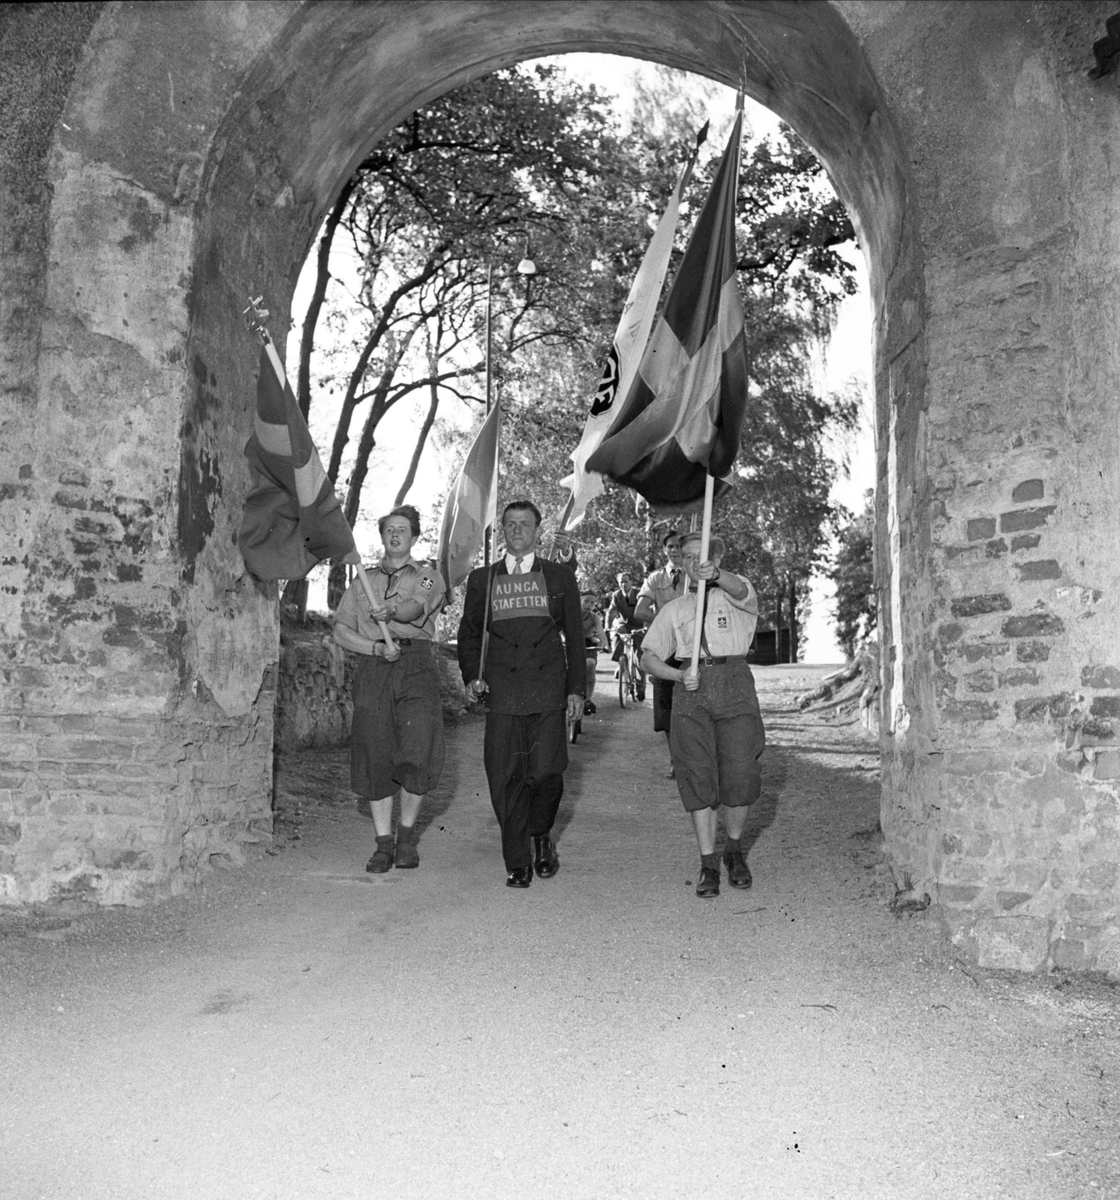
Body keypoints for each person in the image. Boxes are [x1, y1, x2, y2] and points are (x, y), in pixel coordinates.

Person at [458, 500, 586, 888]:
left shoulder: (559, 577)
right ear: (502, 530)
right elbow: (470, 634)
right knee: (505, 775)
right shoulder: (484, 578)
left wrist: (577, 690)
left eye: (524, 524)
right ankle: (517, 860)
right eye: (510, 524)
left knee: (547, 770)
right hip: (502, 691)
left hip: (547, 688)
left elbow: (576, 639)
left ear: (536, 531)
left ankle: (541, 833)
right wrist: (472, 676)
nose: (517, 530)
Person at [639, 531, 765, 900]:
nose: (695, 562)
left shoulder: (736, 593)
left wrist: (717, 574)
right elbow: (648, 657)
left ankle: (735, 850)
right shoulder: (674, 610)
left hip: (735, 685)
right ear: (681, 563)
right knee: (697, 775)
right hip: (691, 693)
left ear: (716, 559)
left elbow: (742, 591)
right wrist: (678, 674)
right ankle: (708, 862)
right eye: (689, 557)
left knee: (741, 772)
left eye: (702, 556)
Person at [332, 505, 446, 873]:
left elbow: (415, 608)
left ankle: (407, 839)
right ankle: (383, 844)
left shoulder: (429, 576)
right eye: (389, 530)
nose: (395, 535)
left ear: (414, 537)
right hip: (375, 667)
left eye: (403, 530)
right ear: (382, 537)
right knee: (374, 751)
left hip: (416, 666)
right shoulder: (362, 580)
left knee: (417, 751)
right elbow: (341, 629)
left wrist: (391, 614)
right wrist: (376, 647)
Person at [634, 531, 685, 773]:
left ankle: (694, 759)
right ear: (664, 550)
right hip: (665, 648)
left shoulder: (695, 578)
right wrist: (665, 623)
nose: (675, 551)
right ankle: (675, 760)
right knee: (666, 708)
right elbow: (640, 611)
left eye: (679, 547)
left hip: (691, 647)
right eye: (671, 547)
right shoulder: (655, 579)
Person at [606, 571, 646, 702]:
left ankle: (641, 689)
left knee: (640, 658)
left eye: (626, 581)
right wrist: (607, 626)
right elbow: (611, 612)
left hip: (639, 626)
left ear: (631, 582)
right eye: (621, 582)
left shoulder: (639, 593)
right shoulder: (616, 595)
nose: (624, 584)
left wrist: (646, 626)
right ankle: (621, 663)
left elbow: (647, 608)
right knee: (619, 633)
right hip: (625, 624)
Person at [580, 590, 606, 715]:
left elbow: (600, 630)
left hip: (587, 644)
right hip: (570, 643)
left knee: (590, 664)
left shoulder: (594, 617)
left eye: (592, 603)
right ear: (579, 600)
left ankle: (588, 700)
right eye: (586, 601)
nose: (589, 605)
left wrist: (604, 644)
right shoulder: (570, 613)